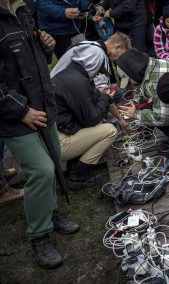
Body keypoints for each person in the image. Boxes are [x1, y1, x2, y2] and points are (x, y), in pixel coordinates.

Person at [0, 0, 79, 268]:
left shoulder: (22, 11)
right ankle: (39, 235)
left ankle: (50, 213)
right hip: (15, 116)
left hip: (43, 106)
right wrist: (21, 111)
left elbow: (31, 61)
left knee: (55, 160)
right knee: (41, 170)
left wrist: (47, 49)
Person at [51, 44, 117, 189]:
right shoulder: (79, 81)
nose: (98, 74)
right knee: (110, 130)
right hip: (59, 144)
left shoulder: (68, 73)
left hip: (55, 134)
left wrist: (98, 94)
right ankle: (79, 174)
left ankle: (74, 163)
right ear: (92, 63)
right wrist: (105, 98)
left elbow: (78, 104)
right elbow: (92, 119)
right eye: (98, 69)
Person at [50, 32, 132, 134]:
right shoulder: (97, 54)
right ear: (117, 47)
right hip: (61, 97)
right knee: (114, 93)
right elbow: (104, 94)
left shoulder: (89, 44)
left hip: (55, 86)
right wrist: (120, 120)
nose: (120, 60)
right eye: (121, 55)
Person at [116, 48, 169, 151]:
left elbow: (162, 119)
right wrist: (136, 101)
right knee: (150, 108)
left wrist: (136, 114)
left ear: (133, 72)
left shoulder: (155, 82)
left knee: (155, 116)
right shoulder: (149, 65)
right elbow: (142, 85)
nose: (129, 83)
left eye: (129, 79)